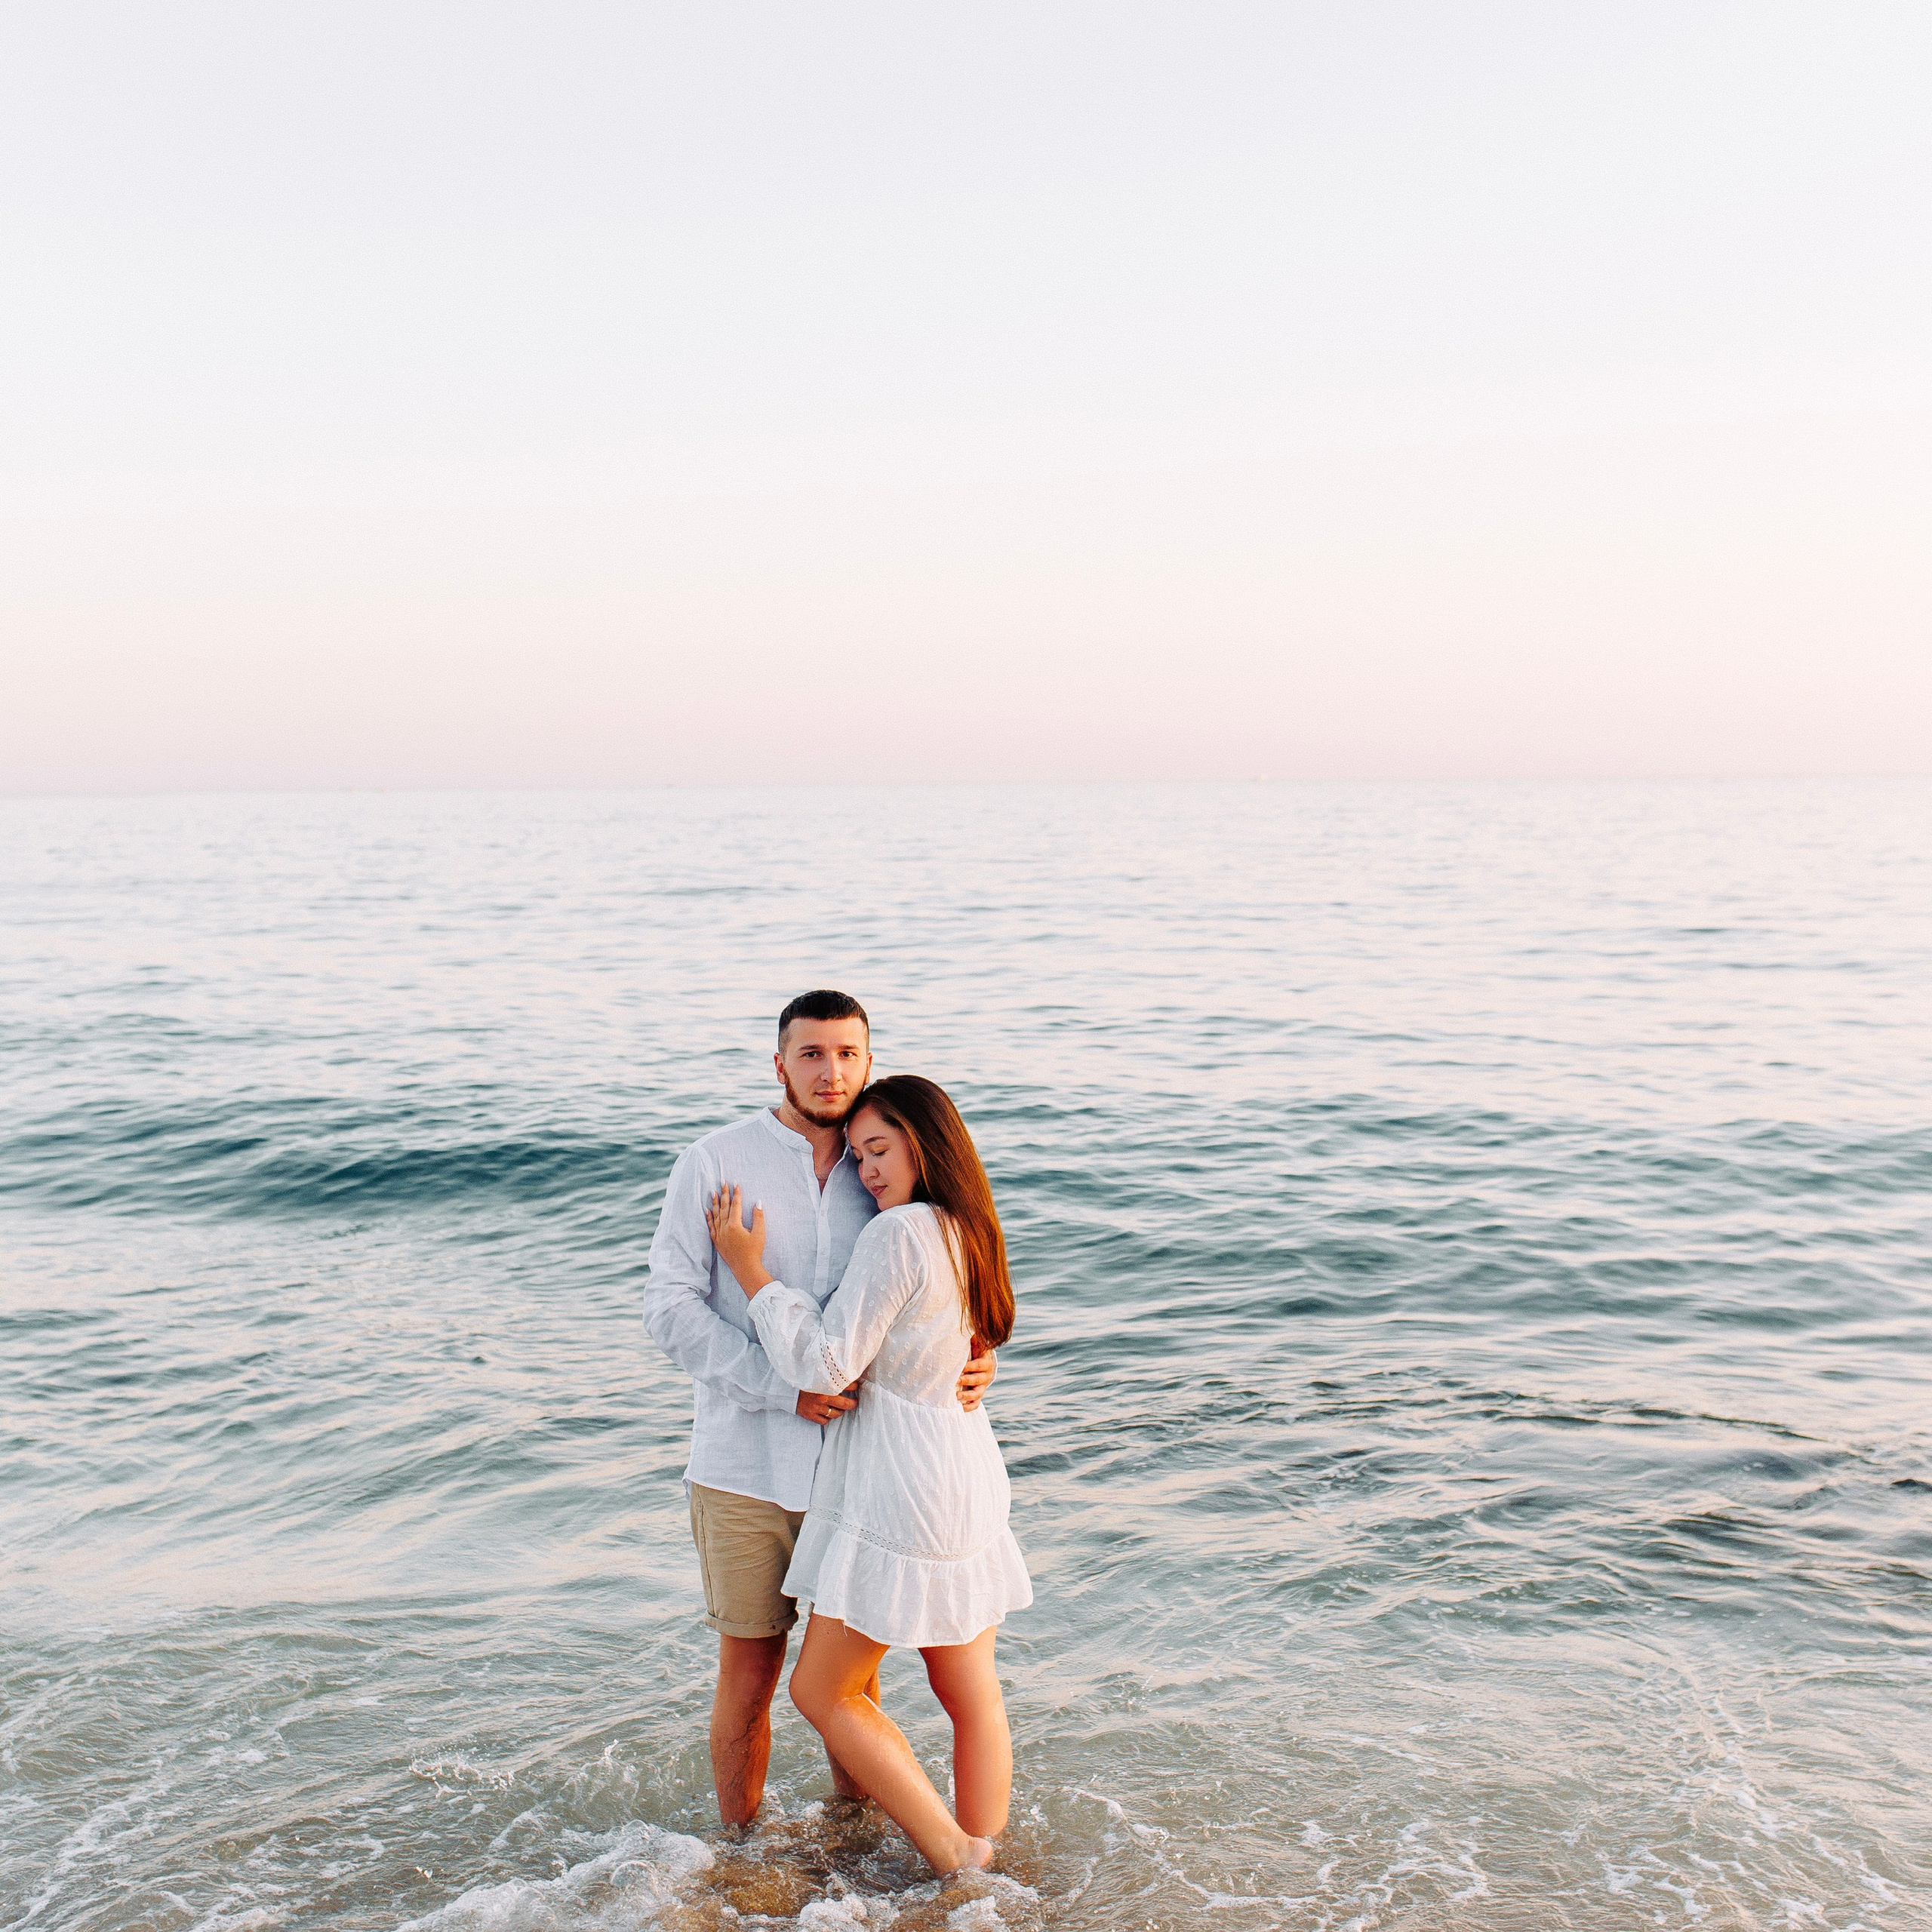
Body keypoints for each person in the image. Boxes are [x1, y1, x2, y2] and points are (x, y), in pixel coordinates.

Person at [643, 992, 996, 1827]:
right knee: (750, 1672)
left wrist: (977, 1355)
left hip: (862, 1473)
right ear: (779, 1064)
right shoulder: (715, 1159)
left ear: (869, 1063)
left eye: (847, 1053)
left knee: (850, 1684)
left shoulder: (889, 1167)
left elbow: (937, 1288)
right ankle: (739, 1852)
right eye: (811, 1054)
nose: (830, 1071)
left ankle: (852, 1845)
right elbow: (669, 1308)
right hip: (744, 1466)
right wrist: (781, 1389)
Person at [706, 1073, 1031, 1875]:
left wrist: (753, 1273)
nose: (868, 1172)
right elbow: (973, 1341)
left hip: (901, 1485)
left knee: (823, 1693)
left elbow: (826, 1361)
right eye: (856, 1158)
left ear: (929, 1141)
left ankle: (953, 1851)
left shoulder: (898, 1233)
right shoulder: (971, 1228)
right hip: (967, 1471)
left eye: (880, 1149)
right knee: (971, 1692)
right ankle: (989, 1865)